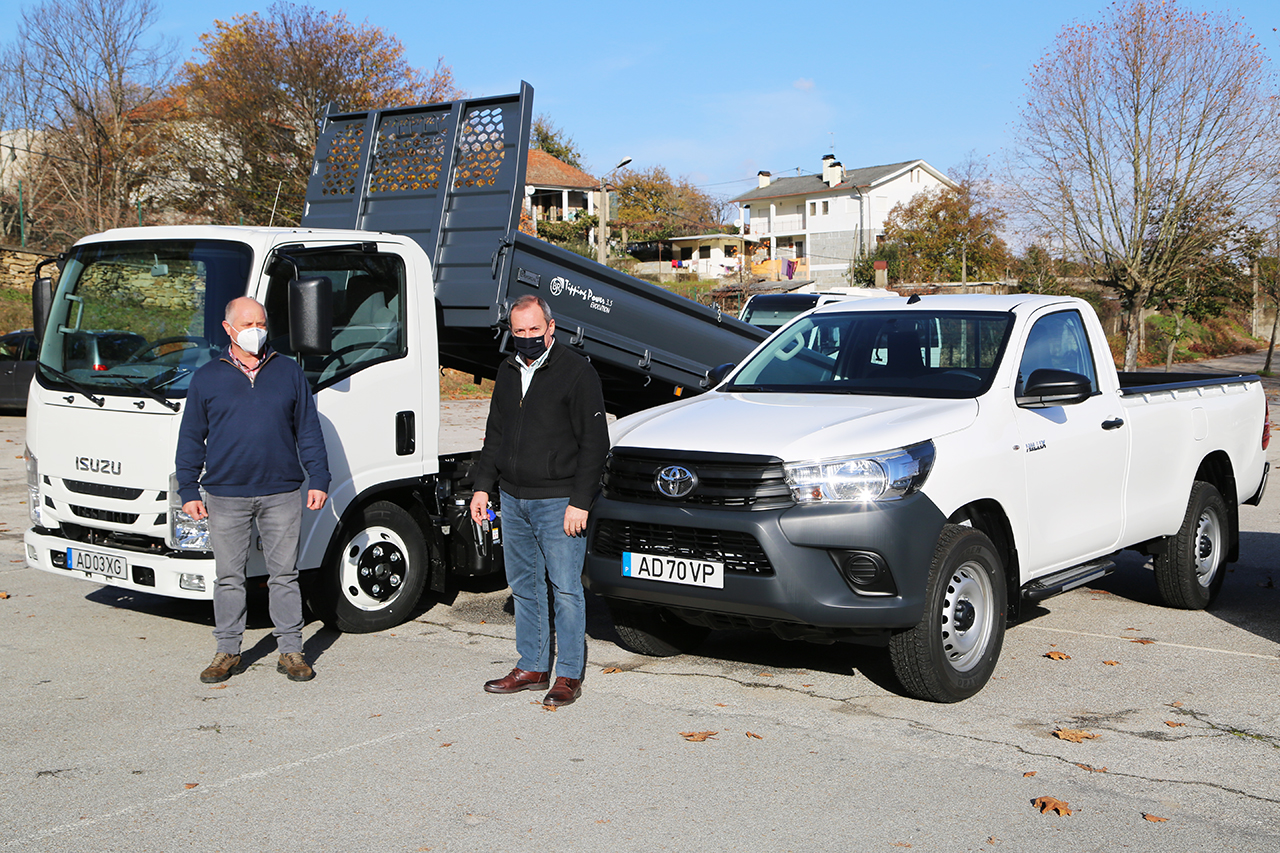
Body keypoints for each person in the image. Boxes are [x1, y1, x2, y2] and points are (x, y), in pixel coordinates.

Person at [176, 297, 331, 684]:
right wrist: (188, 488)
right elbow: (191, 437)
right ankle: (227, 650)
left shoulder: (289, 372)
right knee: (228, 577)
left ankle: (291, 651)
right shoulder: (208, 376)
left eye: (260, 322)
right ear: (228, 329)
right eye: (246, 324)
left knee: (284, 575)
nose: (255, 330)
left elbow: (308, 430)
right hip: (225, 495)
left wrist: (320, 478)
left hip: (281, 492)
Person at [470, 294, 609, 707]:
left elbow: (594, 444)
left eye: (535, 329)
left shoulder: (577, 373)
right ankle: (531, 665)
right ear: (511, 332)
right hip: (513, 500)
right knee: (525, 587)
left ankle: (567, 674)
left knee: (565, 589)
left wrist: (580, 501)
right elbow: (495, 434)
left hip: (558, 502)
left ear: (551, 328)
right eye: (520, 332)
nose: (528, 338)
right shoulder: (508, 370)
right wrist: (483, 486)